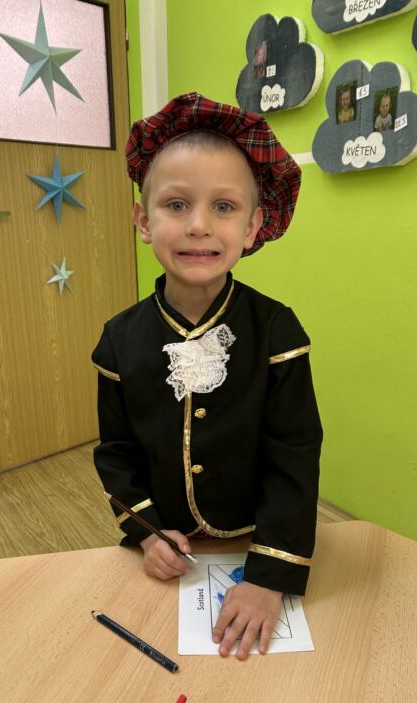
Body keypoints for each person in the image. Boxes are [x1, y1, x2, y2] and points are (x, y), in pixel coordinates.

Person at [92, 93, 322, 660]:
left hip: (258, 539)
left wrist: (268, 577)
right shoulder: (119, 338)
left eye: (223, 207)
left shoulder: (277, 330)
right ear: (144, 221)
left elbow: (294, 453)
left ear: (252, 226)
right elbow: (117, 452)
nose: (199, 226)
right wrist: (145, 531)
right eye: (176, 205)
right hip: (171, 551)